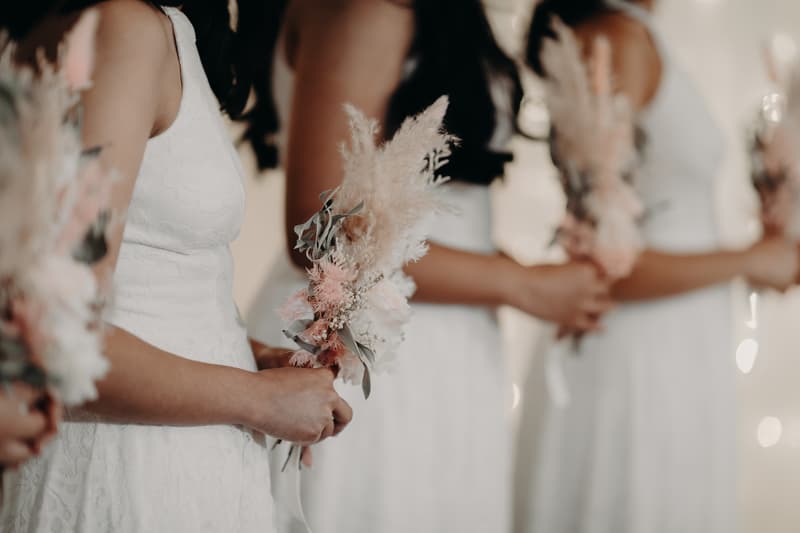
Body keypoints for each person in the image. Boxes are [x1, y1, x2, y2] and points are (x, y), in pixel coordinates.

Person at [244, 1, 613, 531]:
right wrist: (522, 285)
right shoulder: (372, 11)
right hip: (377, 355)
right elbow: (321, 230)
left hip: (441, 350)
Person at [1, 1, 351, 531]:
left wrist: (250, 356)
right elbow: (54, 330)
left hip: (181, 439)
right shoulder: (127, 28)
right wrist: (260, 400)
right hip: (133, 463)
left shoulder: (138, 26)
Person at [514, 1, 799, 532]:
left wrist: (765, 252)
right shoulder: (617, 41)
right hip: (632, 361)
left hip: (678, 345)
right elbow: (600, 262)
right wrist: (748, 258)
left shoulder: (638, 34)